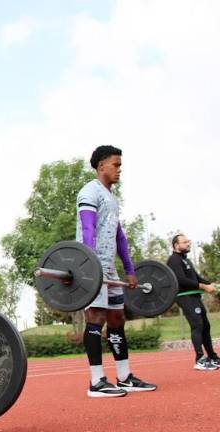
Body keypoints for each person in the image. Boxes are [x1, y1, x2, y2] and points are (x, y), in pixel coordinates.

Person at [76, 145, 157, 398]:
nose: (119, 169)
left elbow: (120, 237)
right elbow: (87, 229)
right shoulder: (90, 192)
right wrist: (90, 266)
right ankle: (96, 381)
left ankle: (124, 377)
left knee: (116, 319)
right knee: (96, 318)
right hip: (91, 266)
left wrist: (130, 269)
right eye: (116, 164)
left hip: (109, 268)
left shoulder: (112, 198)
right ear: (101, 166)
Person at [167, 234, 220, 370]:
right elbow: (181, 280)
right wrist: (204, 287)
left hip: (194, 297)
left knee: (205, 326)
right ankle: (200, 360)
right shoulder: (173, 260)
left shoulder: (185, 260)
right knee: (197, 325)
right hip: (185, 297)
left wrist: (211, 284)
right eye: (184, 242)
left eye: (188, 241)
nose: (188, 244)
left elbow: (196, 277)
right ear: (176, 245)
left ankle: (213, 357)